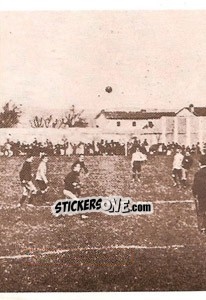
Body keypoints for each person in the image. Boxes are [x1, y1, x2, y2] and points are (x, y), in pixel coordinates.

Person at [192, 156, 206, 233]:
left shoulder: (198, 173)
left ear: (200, 163)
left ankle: (204, 227)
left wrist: (194, 194)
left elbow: (195, 185)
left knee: (203, 210)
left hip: (202, 195)